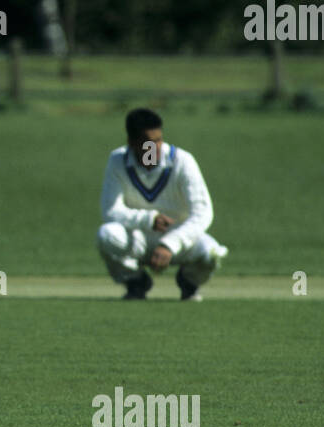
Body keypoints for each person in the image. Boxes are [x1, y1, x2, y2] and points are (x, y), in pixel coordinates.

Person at [97, 108, 228, 301]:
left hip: (179, 237)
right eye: (148, 142)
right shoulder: (117, 160)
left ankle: (189, 282)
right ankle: (136, 282)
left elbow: (202, 213)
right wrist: (148, 219)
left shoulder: (182, 161)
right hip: (139, 237)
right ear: (131, 142)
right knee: (107, 235)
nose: (155, 147)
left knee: (211, 252)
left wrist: (170, 244)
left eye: (158, 140)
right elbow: (111, 210)